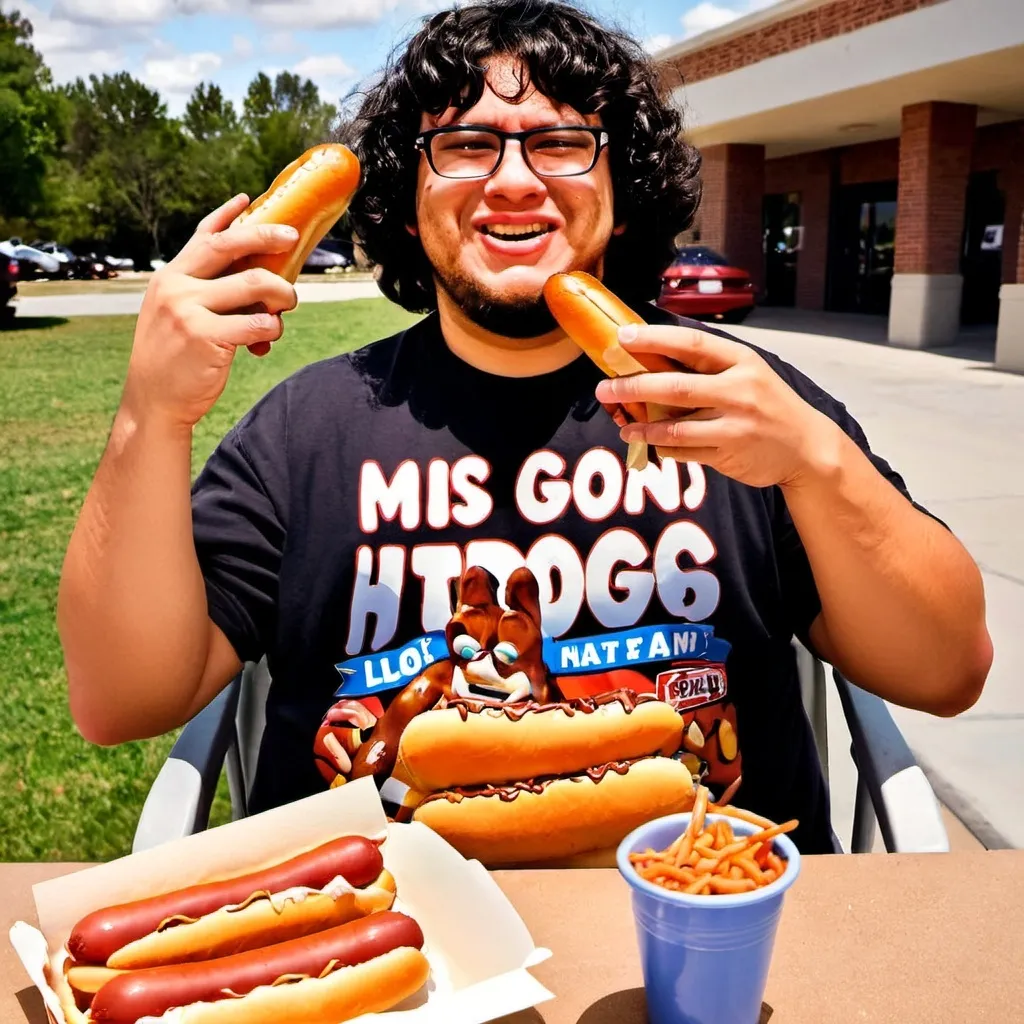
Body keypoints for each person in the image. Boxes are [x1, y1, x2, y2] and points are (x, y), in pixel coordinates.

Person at [58, 0, 991, 855]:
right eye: (465, 145)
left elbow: (947, 670)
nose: (512, 181)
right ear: (407, 201)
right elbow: (122, 698)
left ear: (620, 190)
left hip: (711, 928)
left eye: (559, 143)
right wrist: (152, 409)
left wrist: (819, 465)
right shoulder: (307, 431)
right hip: (371, 938)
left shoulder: (743, 402)